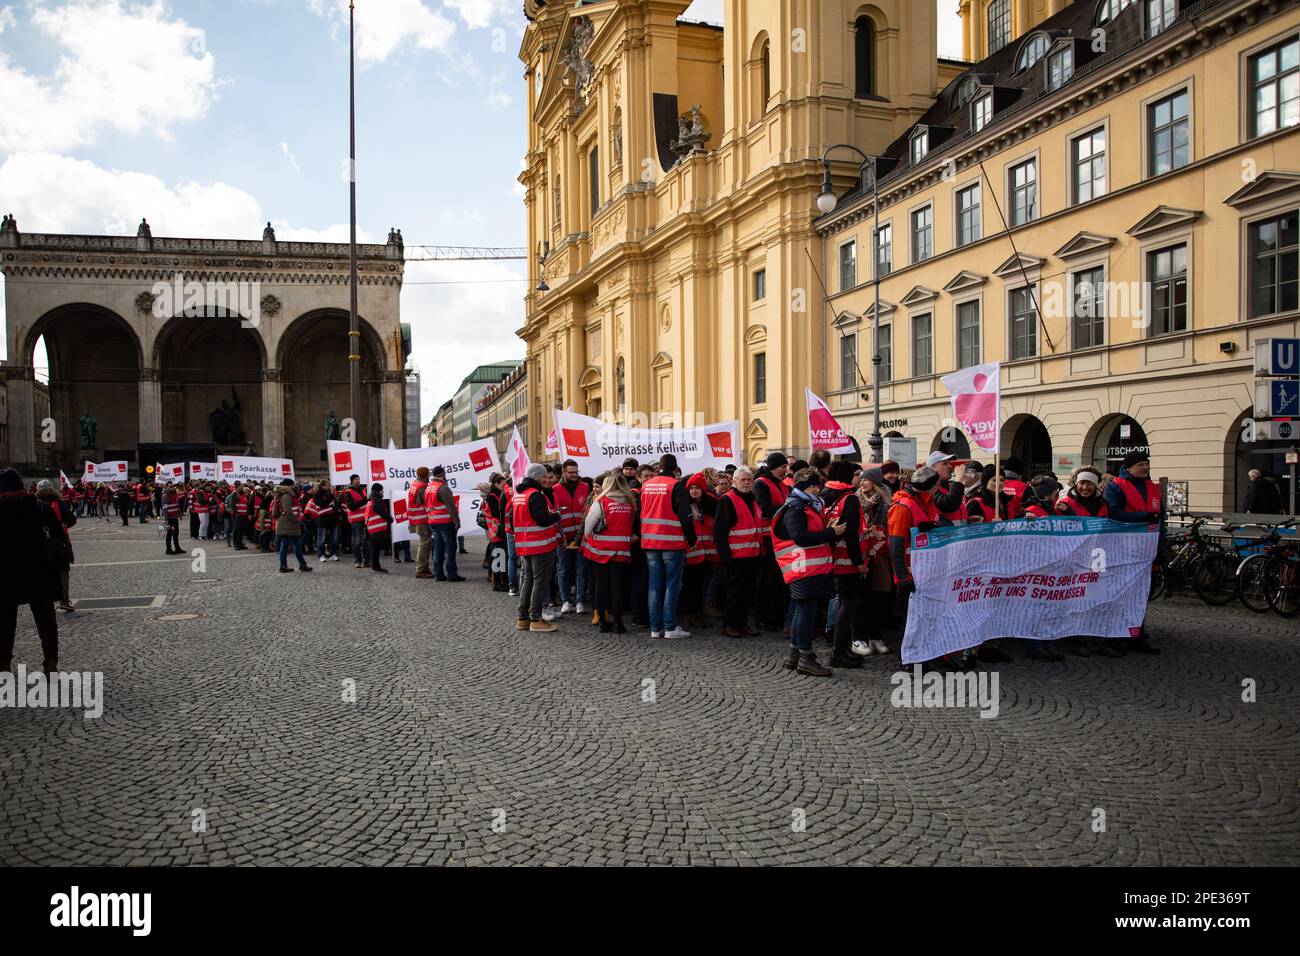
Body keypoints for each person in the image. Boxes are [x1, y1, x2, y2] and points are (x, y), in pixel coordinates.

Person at [772, 468, 845, 676]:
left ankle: (795, 654)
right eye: (815, 486)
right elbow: (800, 537)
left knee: (800, 611)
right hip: (802, 567)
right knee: (805, 612)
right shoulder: (796, 507)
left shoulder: (804, 505)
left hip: (806, 567)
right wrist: (832, 532)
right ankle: (805, 656)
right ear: (805, 487)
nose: (818, 490)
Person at [0, 469, 64, 675]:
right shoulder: (40, 507)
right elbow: (58, 534)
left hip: (6, 574)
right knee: (46, 622)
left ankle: (3, 666)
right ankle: (51, 663)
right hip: (40, 571)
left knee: (5, 624)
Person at [1103, 450, 1164, 655]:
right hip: (1124, 550)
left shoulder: (1153, 488)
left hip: (1148, 552)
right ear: (1128, 467)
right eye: (1140, 464)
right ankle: (1116, 635)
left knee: (1141, 596)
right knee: (1121, 595)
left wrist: (1162, 548)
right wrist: (1144, 517)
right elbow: (1113, 514)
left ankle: (1137, 634)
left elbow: (1160, 519)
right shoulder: (1116, 486)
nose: (1145, 467)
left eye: (1146, 464)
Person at [887, 466, 943, 661]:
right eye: (936, 484)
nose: (939, 487)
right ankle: (910, 659)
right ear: (927, 486)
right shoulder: (903, 506)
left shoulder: (925, 502)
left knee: (923, 618)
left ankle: (921, 654)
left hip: (925, 572)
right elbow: (895, 545)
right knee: (909, 620)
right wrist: (903, 577)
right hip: (910, 574)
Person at [641, 454, 696, 640]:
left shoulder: (646, 485)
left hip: (650, 542)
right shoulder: (675, 485)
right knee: (672, 585)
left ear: (659, 467)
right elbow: (685, 516)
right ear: (675, 468)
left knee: (654, 586)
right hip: (671, 542)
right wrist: (692, 538)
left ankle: (655, 629)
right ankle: (670, 627)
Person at [822, 461, 869, 669]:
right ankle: (839, 652)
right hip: (847, 560)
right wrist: (859, 563)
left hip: (831, 557)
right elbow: (850, 534)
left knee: (842, 603)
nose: (858, 478)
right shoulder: (849, 498)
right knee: (847, 605)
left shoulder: (824, 494)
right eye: (856, 474)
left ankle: (841, 649)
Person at [582, 473, 637, 633]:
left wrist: (587, 536)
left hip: (600, 549)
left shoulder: (601, 501)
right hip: (621, 549)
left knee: (601, 585)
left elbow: (588, 525)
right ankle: (619, 622)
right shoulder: (630, 503)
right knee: (617, 586)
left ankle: (603, 621)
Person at [714, 467, 762, 638]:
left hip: (752, 554)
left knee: (748, 593)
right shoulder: (728, 500)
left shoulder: (753, 499)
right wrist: (725, 556)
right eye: (743, 480)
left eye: (749, 480)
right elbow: (720, 531)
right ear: (734, 482)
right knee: (734, 593)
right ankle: (730, 624)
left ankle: (742, 623)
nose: (746, 483)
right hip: (735, 556)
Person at [514, 463, 562, 632]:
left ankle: (523, 618)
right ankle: (536, 619)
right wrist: (555, 516)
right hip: (540, 544)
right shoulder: (536, 495)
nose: (545, 479)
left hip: (525, 544)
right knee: (539, 582)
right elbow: (542, 519)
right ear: (537, 477)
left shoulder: (519, 494)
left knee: (528, 580)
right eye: (543, 476)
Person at [753, 452, 791, 631]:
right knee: (767, 580)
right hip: (768, 538)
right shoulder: (761, 483)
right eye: (783, 467)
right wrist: (788, 508)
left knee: (778, 580)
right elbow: (764, 508)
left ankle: (775, 614)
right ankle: (763, 615)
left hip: (780, 537)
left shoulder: (781, 484)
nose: (786, 470)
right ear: (774, 467)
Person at [681, 472, 718, 630]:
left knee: (701, 585)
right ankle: (693, 614)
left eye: (697, 488)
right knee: (692, 585)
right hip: (692, 552)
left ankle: (698, 612)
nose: (694, 491)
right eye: (691, 488)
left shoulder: (711, 505)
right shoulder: (685, 506)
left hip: (707, 553)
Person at [553, 459, 591, 614]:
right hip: (564, 537)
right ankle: (566, 601)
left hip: (580, 536)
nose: (575, 475)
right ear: (564, 472)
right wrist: (560, 536)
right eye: (571, 473)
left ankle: (580, 601)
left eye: (576, 472)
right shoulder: (555, 489)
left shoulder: (585, 487)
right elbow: (555, 515)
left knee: (581, 570)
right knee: (563, 570)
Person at [36, 479, 76, 612]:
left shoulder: (35, 504)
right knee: (63, 570)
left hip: (40, 543)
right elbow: (71, 520)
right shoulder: (58, 503)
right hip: (59, 542)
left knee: (44, 571)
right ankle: (64, 599)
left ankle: (45, 601)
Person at [425, 465, 464, 582]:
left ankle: (439, 573)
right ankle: (452, 574)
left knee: (438, 548)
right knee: (450, 548)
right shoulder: (443, 488)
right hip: (445, 523)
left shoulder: (428, 487)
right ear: (442, 474)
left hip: (433, 522)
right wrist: (457, 521)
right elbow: (451, 507)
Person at [274, 479, 313, 573]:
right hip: (289, 523)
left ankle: (284, 565)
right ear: (288, 486)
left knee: (286, 545)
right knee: (295, 545)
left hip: (286, 523)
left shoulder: (282, 495)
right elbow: (288, 511)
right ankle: (302, 565)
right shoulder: (286, 495)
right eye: (293, 484)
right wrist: (298, 521)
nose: (295, 486)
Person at [483, 473, 510, 592]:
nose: (505, 487)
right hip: (497, 531)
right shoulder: (492, 496)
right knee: (499, 556)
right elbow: (495, 513)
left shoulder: (499, 494)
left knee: (502, 556)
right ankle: (497, 582)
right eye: (503, 485)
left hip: (500, 529)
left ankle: (502, 580)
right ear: (496, 484)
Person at [927, 452, 966, 525]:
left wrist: (967, 519)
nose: (950, 466)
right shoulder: (929, 488)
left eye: (949, 463)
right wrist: (958, 480)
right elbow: (949, 505)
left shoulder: (948, 487)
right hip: (945, 535)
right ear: (932, 468)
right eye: (944, 463)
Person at [408, 466, 433, 578]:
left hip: (416, 517)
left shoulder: (414, 484)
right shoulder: (422, 486)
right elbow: (425, 501)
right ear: (426, 475)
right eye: (428, 474)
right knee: (425, 544)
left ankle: (422, 567)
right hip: (422, 518)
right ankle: (422, 568)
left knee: (424, 543)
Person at [362, 484, 393, 573]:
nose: (383, 492)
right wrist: (391, 519)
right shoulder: (377, 502)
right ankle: (375, 567)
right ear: (378, 491)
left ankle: (375, 566)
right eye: (382, 491)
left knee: (374, 549)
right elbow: (383, 513)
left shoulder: (370, 501)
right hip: (377, 529)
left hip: (372, 528)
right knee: (376, 549)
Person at [342, 475, 369, 569]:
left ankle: (367, 560)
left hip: (365, 519)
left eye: (359, 479)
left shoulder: (363, 489)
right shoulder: (348, 492)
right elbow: (351, 506)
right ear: (352, 481)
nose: (358, 481)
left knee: (366, 541)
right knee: (357, 541)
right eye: (356, 479)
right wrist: (364, 501)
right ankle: (358, 560)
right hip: (356, 520)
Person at [162, 481, 182, 555]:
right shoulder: (165, 495)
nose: (172, 488)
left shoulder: (174, 493)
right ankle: (168, 549)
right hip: (169, 517)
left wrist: (179, 514)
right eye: (170, 486)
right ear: (166, 487)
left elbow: (176, 504)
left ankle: (177, 548)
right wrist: (166, 519)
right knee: (169, 533)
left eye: (173, 486)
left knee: (176, 533)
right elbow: (164, 508)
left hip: (175, 516)